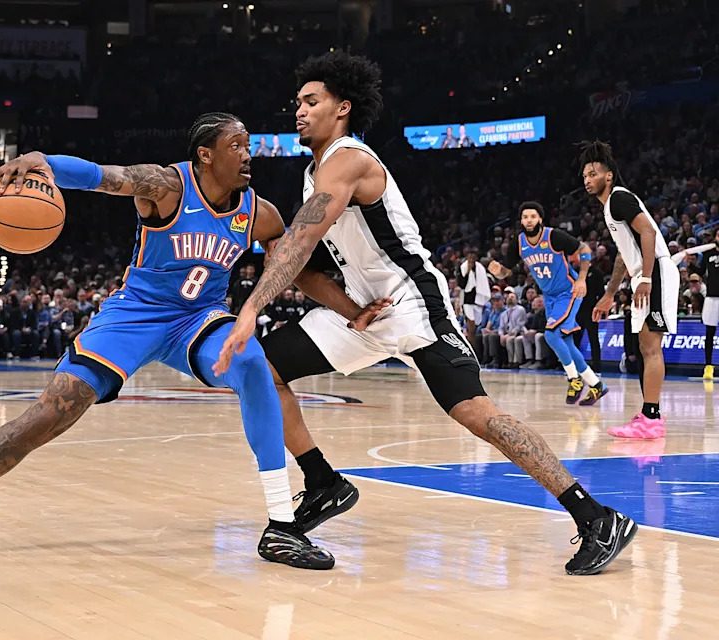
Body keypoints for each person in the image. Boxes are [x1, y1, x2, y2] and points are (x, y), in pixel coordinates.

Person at [0, 112, 334, 571]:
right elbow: (106, 175)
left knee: (252, 363)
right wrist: (47, 164)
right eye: (237, 146)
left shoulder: (260, 213)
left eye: (249, 146)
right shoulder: (167, 186)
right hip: (135, 316)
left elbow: (294, 263)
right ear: (206, 154)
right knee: (49, 414)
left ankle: (281, 527)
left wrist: (349, 308)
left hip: (198, 319)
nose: (249, 154)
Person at [214, 52, 636, 575]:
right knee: (261, 368)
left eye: (310, 101)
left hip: (414, 304)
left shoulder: (349, 157)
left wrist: (252, 307)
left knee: (477, 415)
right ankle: (323, 481)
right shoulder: (311, 172)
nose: (297, 111)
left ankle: (595, 517)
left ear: (342, 108)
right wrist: (351, 311)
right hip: (368, 312)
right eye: (297, 102)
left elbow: (300, 242)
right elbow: (306, 267)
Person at [585, 141, 680, 439]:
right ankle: (648, 414)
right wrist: (610, 293)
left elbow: (649, 232)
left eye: (593, 173)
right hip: (643, 275)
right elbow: (623, 255)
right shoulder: (610, 209)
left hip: (656, 273)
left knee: (651, 347)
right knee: (643, 347)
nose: (588, 179)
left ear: (609, 176)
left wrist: (647, 278)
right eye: (584, 176)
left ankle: (651, 418)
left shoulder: (618, 198)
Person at [489, 201, 608, 405]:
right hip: (550, 296)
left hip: (568, 291)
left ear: (540, 219)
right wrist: (497, 272)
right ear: (521, 220)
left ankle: (574, 380)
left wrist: (581, 279)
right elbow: (506, 271)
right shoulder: (519, 242)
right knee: (567, 342)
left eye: (533, 216)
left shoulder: (553, 236)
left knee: (552, 335)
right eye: (525, 217)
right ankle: (597, 385)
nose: (529, 220)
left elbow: (584, 248)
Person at [671, 232, 716, 379]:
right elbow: (701, 272)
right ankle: (708, 366)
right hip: (711, 297)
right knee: (709, 334)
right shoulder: (710, 252)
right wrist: (689, 264)